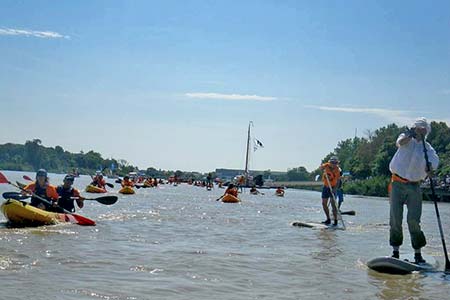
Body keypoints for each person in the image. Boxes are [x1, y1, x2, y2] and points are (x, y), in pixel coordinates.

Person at [389, 117, 439, 263]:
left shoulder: (428, 148)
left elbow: (434, 161)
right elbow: (399, 143)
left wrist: (430, 167)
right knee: (395, 219)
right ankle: (395, 251)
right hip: (397, 183)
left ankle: (418, 253)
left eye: (423, 130)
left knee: (413, 220)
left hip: (414, 185)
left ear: (426, 132)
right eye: (418, 128)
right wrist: (410, 135)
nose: (420, 132)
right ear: (414, 128)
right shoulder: (406, 138)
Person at [319, 156, 341, 226]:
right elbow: (320, 167)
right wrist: (322, 168)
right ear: (330, 162)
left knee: (333, 205)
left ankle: (335, 221)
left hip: (333, 187)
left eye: (335, 163)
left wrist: (335, 189)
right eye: (332, 163)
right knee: (324, 203)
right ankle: (328, 219)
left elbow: (338, 181)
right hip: (326, 186)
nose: (333, 164)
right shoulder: (326, 166)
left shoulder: (338, 170)